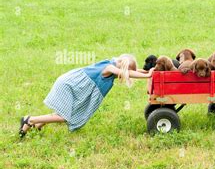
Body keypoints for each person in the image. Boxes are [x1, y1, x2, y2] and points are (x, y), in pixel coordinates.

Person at [19, 54, 152, 137]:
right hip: (68, 84)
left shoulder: (113, 66)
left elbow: (130, 72)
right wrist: (147, 75)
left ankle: (36, 126)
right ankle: (30, 120)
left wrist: (146, 71)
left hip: (71, 84)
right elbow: (125, 73)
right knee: (64, 116)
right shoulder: (109, 67)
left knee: (66, 111)